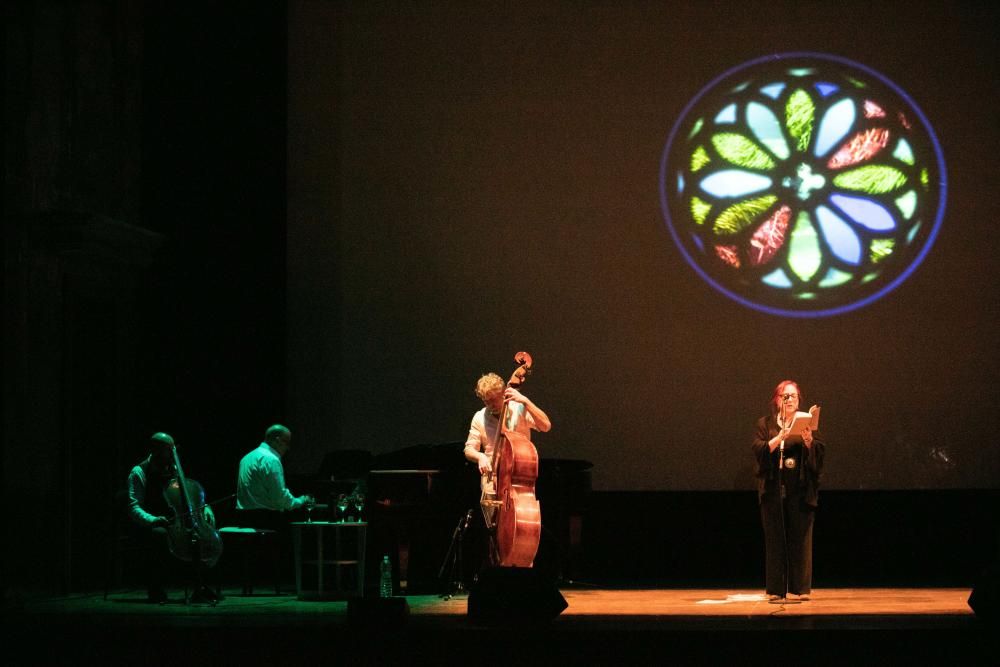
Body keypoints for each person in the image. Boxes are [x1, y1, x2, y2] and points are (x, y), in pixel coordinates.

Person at [463, 372, 551, 570]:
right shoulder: (480, 417)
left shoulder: (519, 408)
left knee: (520, 527)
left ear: (504, 392)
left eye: (495, 400)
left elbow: (545, 426)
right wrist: (481, 457)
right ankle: (494, 570)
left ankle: (521, 566)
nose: (492, 405)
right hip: (492, 479)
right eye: (487, 402)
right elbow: (469, 449)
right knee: (491, 531)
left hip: (515, 480)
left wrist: (526, 401)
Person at [751, 380, 826, 602]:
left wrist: (809, 441)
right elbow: (759, 449)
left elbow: (819, 455)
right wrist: (780, 437)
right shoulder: (765, 424)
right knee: (775, 538)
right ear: (777, 399)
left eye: (794, 396)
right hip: (774, 488)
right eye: (786, 396)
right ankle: (776, 589)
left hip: (800, 489)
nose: (791, 399)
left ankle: (800, 589)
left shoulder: (806, 423)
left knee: (801, 539)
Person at [126, 431, 217, 603]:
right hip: (150, 522)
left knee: (197, 533)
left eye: (173, 450)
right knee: (159, 535)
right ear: (156, 450)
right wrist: (152, 519)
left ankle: (201, 586)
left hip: (175, 520)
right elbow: (133, 506)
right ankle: (156, 589)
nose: (173, 454)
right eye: (169, 450)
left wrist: (205, 507)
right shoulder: (139, 472)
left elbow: (188, 495)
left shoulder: (174, 468)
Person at [236, 424, 315, 530]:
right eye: (287, 443)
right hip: (265, 520)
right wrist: (300, 501)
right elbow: (279, 498)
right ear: (278, 440)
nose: (288, 448)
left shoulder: (246, 458)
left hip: (242, 518)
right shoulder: (271, 460)